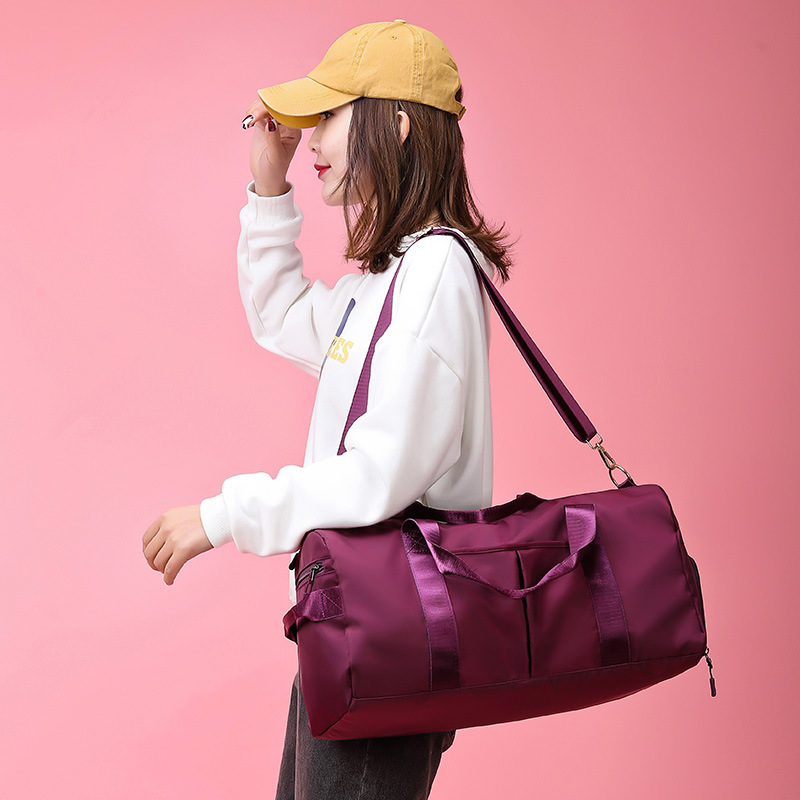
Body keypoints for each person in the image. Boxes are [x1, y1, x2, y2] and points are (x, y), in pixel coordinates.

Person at [142, 19, 516, 800]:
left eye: (332, 115)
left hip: (390, 640)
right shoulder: (389, 279)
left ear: (398, 124)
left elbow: (379, 476)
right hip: (354, 630)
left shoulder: (435, 272)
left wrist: (223, 516)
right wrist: (268, 186)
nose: (312, 137)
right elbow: (281, 314)